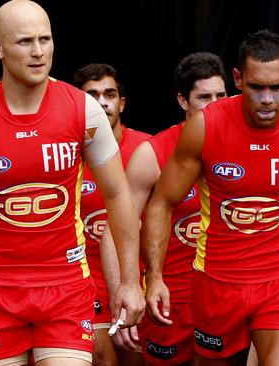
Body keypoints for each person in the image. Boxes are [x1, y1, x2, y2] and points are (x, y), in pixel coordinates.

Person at [0, 1, 145, 365]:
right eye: (25, 41)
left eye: (46, 39)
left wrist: (130, 283)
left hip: (66, 288)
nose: (39, 52)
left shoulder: (84, 110)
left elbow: (118, 195)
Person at [143, 29, 279, 365]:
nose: (266, 99)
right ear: (237, 78)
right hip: (217, 282)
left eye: (276, 87)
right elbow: (162, 202)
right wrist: (154, 277)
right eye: (256, 87)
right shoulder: (205, 127)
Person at [104, 52, 226, 366]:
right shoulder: (153, 153)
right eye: (204, 97)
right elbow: (115, 228)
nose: (214, 104)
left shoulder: (247, 145)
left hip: (227, 295)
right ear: (183, 101)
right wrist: (123, 296)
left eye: (221, 95)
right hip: (169, 300)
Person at [72, 63, 151, 366]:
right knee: (101, 357)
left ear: (122, 102)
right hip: (84, 283)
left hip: (136, 280)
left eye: (109, 94)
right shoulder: (66, 152)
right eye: (92, 95)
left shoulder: (146, 148)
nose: (102, 102)